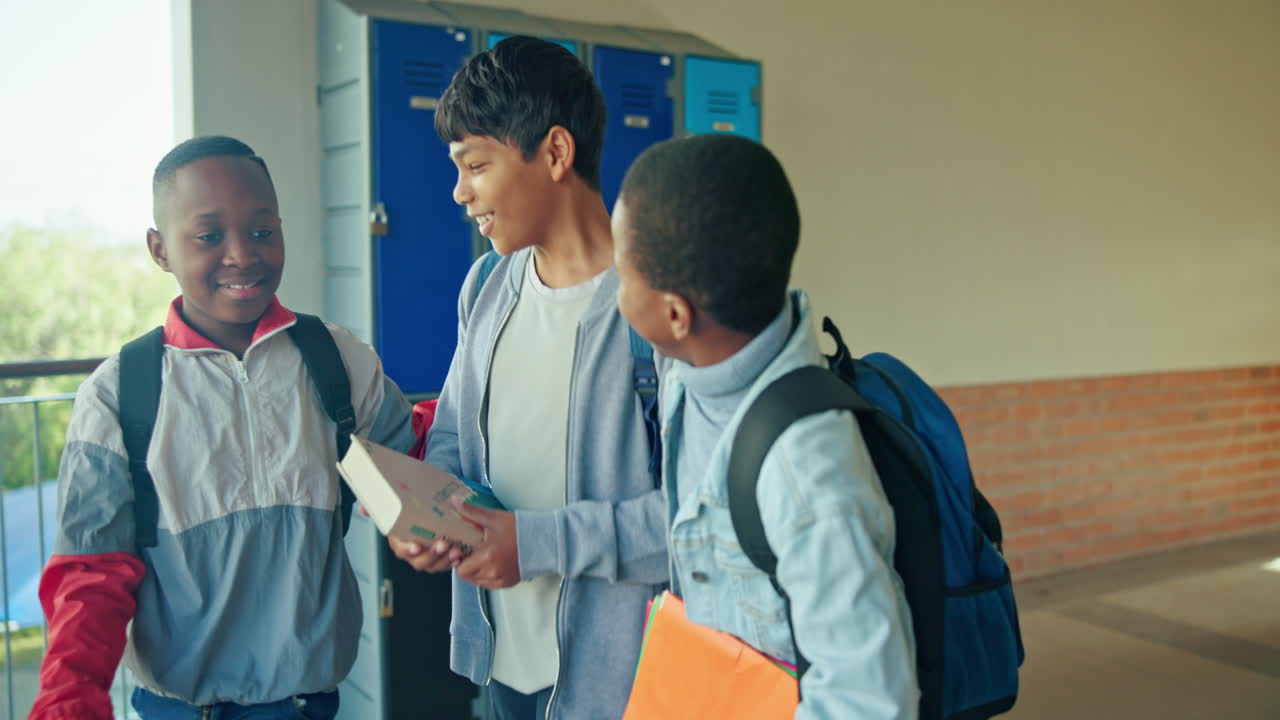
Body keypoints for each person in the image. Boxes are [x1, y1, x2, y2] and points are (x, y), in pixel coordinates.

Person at [30, 135, 414, 720]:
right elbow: (90, 575)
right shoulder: (118, 394)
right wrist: (68, 703)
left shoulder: (337, 359)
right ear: (160, 249)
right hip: (182, 710)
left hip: (312, 706)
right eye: (209, 236)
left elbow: (413, 460)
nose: (242, 255)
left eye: (262, 231)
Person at [387, 36, 668, 720]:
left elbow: (693, 518)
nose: (460, 193)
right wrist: (434, 516)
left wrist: (533, 544)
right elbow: (452, 437)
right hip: (502, 670)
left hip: (621, 687)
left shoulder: (658, 309)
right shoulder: (485, 285)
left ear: (555, 153)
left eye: (475, 164)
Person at [611, 133, 920, 719]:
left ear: (677, 314)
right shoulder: (688, 361)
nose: (614, 285)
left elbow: (870, 702)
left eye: (622, 273)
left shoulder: (809, 478)